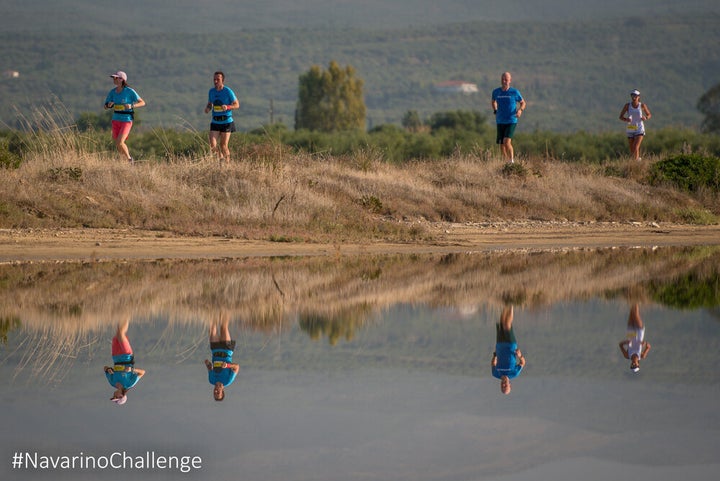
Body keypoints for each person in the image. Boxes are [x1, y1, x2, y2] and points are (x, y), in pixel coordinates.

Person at [104, 71, 145, 164]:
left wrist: (132, 106)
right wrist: (109, 105)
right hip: (116, 120)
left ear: (122, 79)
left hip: (127, 120)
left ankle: (130, 160)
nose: (114, 79)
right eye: (113, 78)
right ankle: (125, 162)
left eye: (116, 78)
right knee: (118, 144)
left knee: (120, 142)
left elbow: (142, 102)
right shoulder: (112, 92)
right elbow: (105, 106)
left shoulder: (130, 91)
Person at [104, 318, 145, 405]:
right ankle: (127, 313)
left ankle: (121, 314)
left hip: (115, 356)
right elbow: (142, 372)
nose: (114, 396)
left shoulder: (112, 383)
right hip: (127, 356)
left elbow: (105, 368)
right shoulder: (130, 384)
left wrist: (108, 370)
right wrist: (132, 370)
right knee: (121, 335)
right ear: (121, 396)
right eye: (116, 397)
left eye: (113, 397)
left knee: (117, 334)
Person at [204, 71, 240, 163]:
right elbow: (210, 103)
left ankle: (227, 165)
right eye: (214, 79)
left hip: (226, 122)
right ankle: (221, 161)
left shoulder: (228, 91)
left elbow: (237, 105)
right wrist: (208, 108)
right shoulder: (211, 91)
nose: (215, 81)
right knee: (213, 146)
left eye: (218, 79)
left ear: (222, 80)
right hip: (215, 122)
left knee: (223, 145)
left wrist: (227, 107)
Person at [491, 72, 526, 164]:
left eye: (506, 79)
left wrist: (520, 110)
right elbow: (493, 101)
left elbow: (523, 103)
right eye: (503, 79)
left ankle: (512, 161)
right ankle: (506, 162)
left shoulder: (514, 92)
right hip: (500, 120)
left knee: (506, 142)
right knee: (501, 145)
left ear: (510, 80)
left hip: (511, 120)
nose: (504, 81)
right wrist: (495, 110)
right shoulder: (496, 92)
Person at [204, 314, 240, 401]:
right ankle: (226, 307)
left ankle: (210, 308)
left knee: (212, 328)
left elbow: (210, 369)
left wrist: (208, 364)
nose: (216, 391)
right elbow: (237, 367)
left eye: (214, 393)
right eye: (218, 393)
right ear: (222, 391)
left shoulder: (211, 380)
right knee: (223, 326)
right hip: (226, 350)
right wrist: (227, 366)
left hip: (215, 351)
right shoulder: (228, 381)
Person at [491, 306, 526, 394]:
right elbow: (522, 363)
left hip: (499, 345)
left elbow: (493, 364)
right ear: (510, 385)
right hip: (511, 345)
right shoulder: (514, 374)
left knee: (502, 322)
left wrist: (495, 356)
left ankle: (504, 304)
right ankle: (511, 304)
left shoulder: (496, 374)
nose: (503, 385)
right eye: (506, 386)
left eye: (502, 387)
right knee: (507, 325)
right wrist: (520, 356)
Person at [618, 89, 652, 160]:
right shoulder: (627, 106)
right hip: (631, 127)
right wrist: (626, 119)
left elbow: (649, 114)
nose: (634, 97)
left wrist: (645, 118)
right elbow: (620, 117)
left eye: (635, 96)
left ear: (638, 97)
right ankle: (637, 160)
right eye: (632, 95)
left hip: (639, 128)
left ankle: (636, 163)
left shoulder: (642, 105)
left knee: (635, 146)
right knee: (632, 149)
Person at [618, 303, 651, 372]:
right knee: (636, 313)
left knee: (631, 311)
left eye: (632, 366)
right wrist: (644, 343)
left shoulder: (627, 356)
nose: (633, 365)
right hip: (639, 334)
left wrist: (626, 342)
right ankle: (637, 297)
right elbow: (648, 346)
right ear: (638, 365)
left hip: (631, 335)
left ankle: (631, 297)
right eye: (635, 366)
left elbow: (620, 345)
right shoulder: (642, 356)